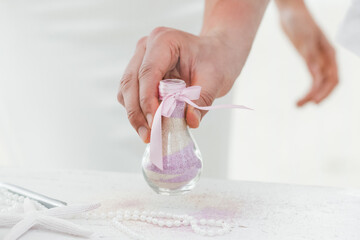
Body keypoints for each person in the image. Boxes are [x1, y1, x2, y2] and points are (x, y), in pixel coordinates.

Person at [0, 0, 337, 177]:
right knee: (76, 187)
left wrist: (286, 5)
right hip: (48, 24)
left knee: (189, 197)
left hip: (196, 18)